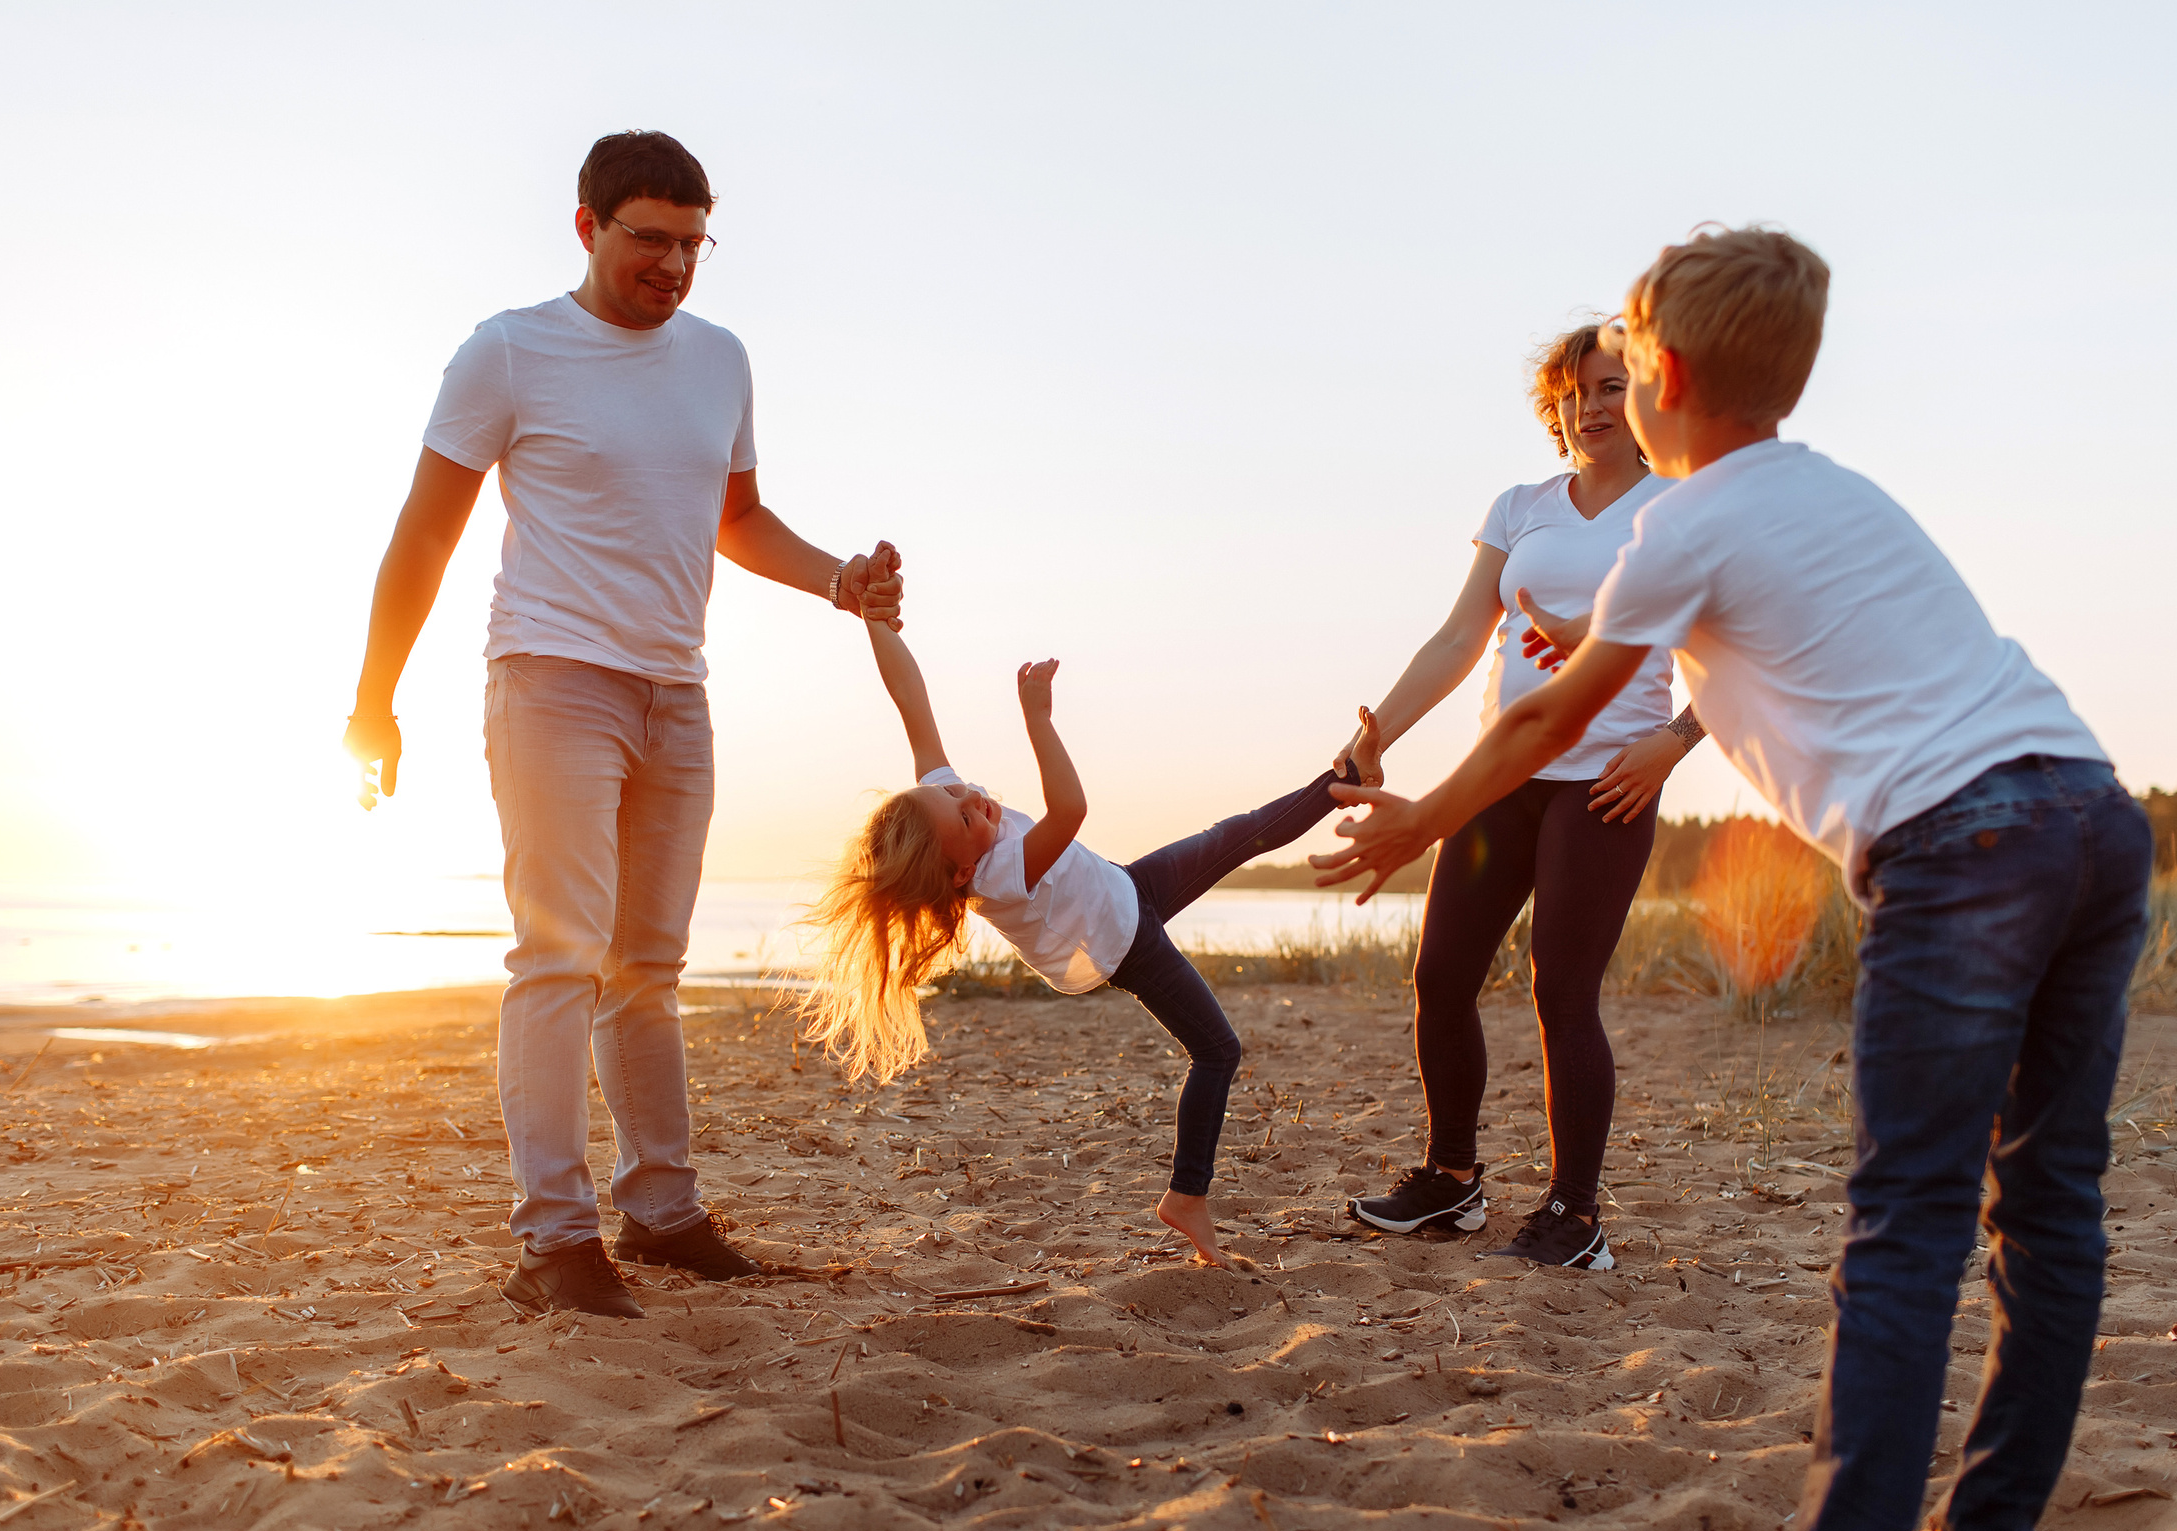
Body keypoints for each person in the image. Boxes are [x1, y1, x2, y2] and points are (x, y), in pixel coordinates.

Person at [1314, 226, 2150, 1531]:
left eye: (1625, 365)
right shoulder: (1841, 490)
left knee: (1907, 1221)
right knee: (2051, 1199)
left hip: (1963, 845)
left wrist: (1414, 826)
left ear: (1668, 377)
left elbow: (1546, 716)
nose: (1610, 390)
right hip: (2091, 811)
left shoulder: (1681, 526)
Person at [342, 130, 906, 1319]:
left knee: (646, 969)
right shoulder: (509, 352)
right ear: (588, 227)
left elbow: (735, 518)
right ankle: (555, 1241)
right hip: (551, 682)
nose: (674, 266)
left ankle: (661, 1212)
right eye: (650, 239)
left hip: (674, 694)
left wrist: (838, 580)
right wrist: (372, 701)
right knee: (558, 958)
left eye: (695, 244)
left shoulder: (720, 359)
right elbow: (425, 533)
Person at [801, 618, 1356, 1266]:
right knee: (1217, 1050)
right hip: (1126, 945)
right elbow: (1069, 811)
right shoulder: (997, 874)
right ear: (959, 871)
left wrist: (875, 619)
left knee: (1234, 835)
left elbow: (912, 705)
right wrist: (1037, 719)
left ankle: (1344, 777)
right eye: (965, 812)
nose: (970, 794)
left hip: (1126, 886)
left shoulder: (950, 812)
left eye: (953, 790)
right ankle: (1187, 1197)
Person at [1336, 323, 1705, 1270]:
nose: (1592, 407)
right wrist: (1378, 736)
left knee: (1561, 990)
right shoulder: (1520, 507)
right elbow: (1459, 639)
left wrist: (1672, 743)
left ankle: (1575, 1218)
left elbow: (1746, 647)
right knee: (1440, 975)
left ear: (1647, 396)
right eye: (1575, 392)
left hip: (1607, 783)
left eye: (1612, 386)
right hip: (1500, 777)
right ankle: (1451, 1180)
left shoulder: (1678, 508)